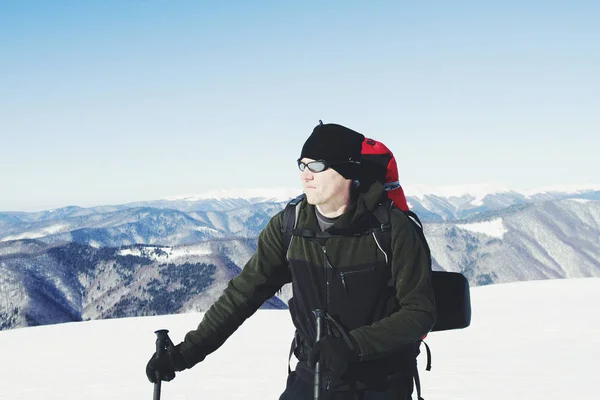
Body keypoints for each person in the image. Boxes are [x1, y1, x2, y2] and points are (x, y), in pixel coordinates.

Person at [146, 122, 436, 399]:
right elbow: (242, 295)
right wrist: (185, 353)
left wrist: (352, 345)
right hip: (313, 373)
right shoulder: (290, 227)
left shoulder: (392, 229)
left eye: (317, 166)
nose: (305, 174)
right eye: (302, 164)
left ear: (348, 172)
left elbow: (420, 312)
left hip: (382, 380)